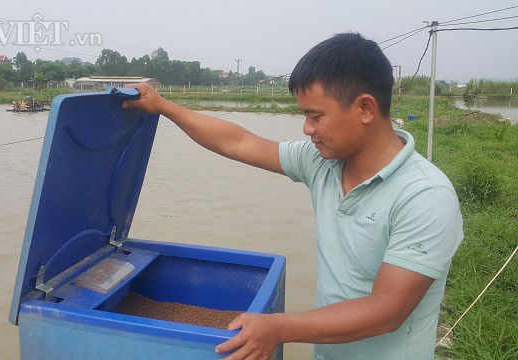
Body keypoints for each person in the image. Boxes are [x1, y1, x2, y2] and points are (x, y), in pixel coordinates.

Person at [121, 32, 463, 360]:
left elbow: (387, 311)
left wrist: (278, 328)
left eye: (316, 116)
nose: (307, 129)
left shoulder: (425, 196)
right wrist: (164, 107)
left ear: (365, 109)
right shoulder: (322, 163)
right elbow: (237, 142)